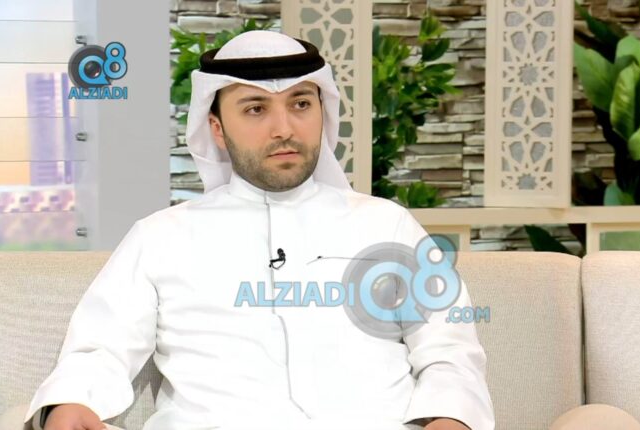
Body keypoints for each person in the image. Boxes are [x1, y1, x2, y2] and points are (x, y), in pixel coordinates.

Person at [25, 30, 494, 430]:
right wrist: (71, 402)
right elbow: (100, 347)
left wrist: (451, 417)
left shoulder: (386, 224)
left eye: (301, 104)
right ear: (217, 128)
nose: (283, 128)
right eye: (255, 109)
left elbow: (449, 351)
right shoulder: (161, 237)